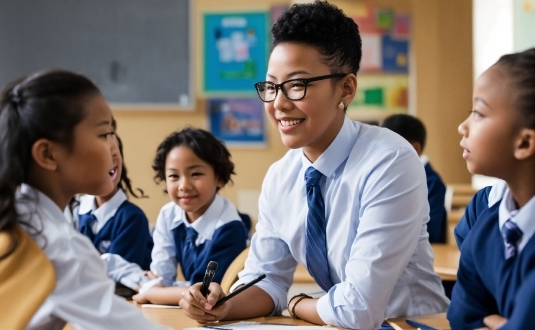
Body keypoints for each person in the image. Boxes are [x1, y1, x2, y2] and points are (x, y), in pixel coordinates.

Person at [179, 2, 448, 329]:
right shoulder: (281, 176)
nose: (278, 103)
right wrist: (221, 305)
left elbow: (358, 310)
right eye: (271, 86)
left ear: (346, 88)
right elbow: (267, 279)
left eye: (297, 85)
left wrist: (296, 303)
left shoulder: (390, 161)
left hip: (413, 325)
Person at [0, 69, 167, 329]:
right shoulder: (60, 248)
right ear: (48, 154)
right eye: (104, 134)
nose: (113, 148)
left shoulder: (9, 214)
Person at [447, 48, 535, 330]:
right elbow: (461, 315)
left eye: (479, 113)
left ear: (524, 143)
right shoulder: (489, 223)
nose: (463, 126)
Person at [129, 127, 247, 305]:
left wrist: (151, 293)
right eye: (174, 176)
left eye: (196, 174)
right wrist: (156, 289)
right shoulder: (169, 215)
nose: (184, 185)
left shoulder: (230, 227)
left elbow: (205, 294)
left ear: (219, 177)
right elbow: (161, 277)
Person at [72, 131, 153, 270]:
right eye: (102, 154)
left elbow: (118, 275)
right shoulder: (75, 211)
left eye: (114, 153)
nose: (111, 161)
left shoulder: (132, 218)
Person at [381, 114, 448, 243]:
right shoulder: (386, 178)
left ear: (415, 149)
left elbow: (430, 234)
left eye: (389, 148)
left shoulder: (432, 183)